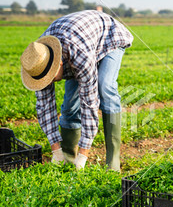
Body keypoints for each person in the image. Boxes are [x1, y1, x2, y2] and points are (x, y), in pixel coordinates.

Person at [20, 10, 133, 171]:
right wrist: (56, 150)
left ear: (59, 64)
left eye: (51, 77)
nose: (48, 82)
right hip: (78, 40)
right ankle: (66, 156)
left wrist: (84, 154)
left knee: (105, 86)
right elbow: (45, 108)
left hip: (108, 36)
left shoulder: (80, 56)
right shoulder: (38, 59)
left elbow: (89, 103)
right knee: (70, 104)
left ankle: (112, 159)